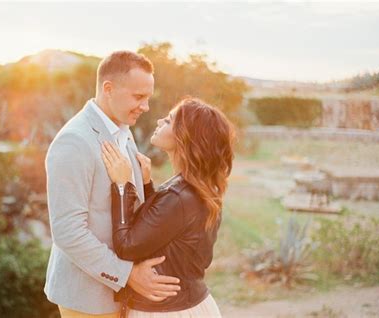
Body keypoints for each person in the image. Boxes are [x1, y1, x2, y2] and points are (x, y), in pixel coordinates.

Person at [44, 51, 180, 318]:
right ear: (108, 89)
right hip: (87, 298)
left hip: (121, 295)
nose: (146, 107)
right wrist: (127, 274)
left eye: (148, 98)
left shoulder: (122, 130)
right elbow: (68, 231)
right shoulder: (73, 142)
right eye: (138, 97)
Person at [101, 97, 236, 317]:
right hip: (193, 306)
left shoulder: (180, 196)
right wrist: (147, 185)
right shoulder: (200, 187)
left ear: (185, 137)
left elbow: (126, 247)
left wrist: (122, 186)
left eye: (169, 120)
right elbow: (168, 229)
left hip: (166, 312)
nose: (158, 121)